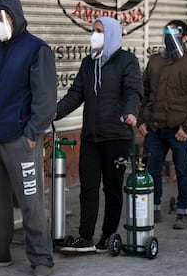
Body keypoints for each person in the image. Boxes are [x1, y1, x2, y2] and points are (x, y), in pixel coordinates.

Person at [0, 0, 56, 276]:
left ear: (16, 18)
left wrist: (32, 134)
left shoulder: (36, 50)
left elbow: (45, 100)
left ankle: (41, 258)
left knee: (31, 201)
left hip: (20, 139)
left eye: (3, 18)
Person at [56, 17, 143, 253]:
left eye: (99, 31)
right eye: (93, 31)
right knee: (88, 187)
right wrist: (54, 112)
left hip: (116, 136)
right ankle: (85, 237)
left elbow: (134, 91)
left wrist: (130, 112)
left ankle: (107, 235)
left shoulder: (127, 61)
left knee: (112, 188)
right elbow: (76, 94)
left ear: (112, 35)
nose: (94, 35)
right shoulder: (88, 63)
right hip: (91, 137)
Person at [139, 20, 187, 229]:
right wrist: (142, 120)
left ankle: (182, 211)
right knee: (152, 170)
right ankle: (153, 209)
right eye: (167, 33)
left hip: (180, 130)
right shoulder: (154, 62)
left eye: (176, 34)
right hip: (154, 128)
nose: (170, 37)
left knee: (182, 171)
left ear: (185, 38)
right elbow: (143, 92)